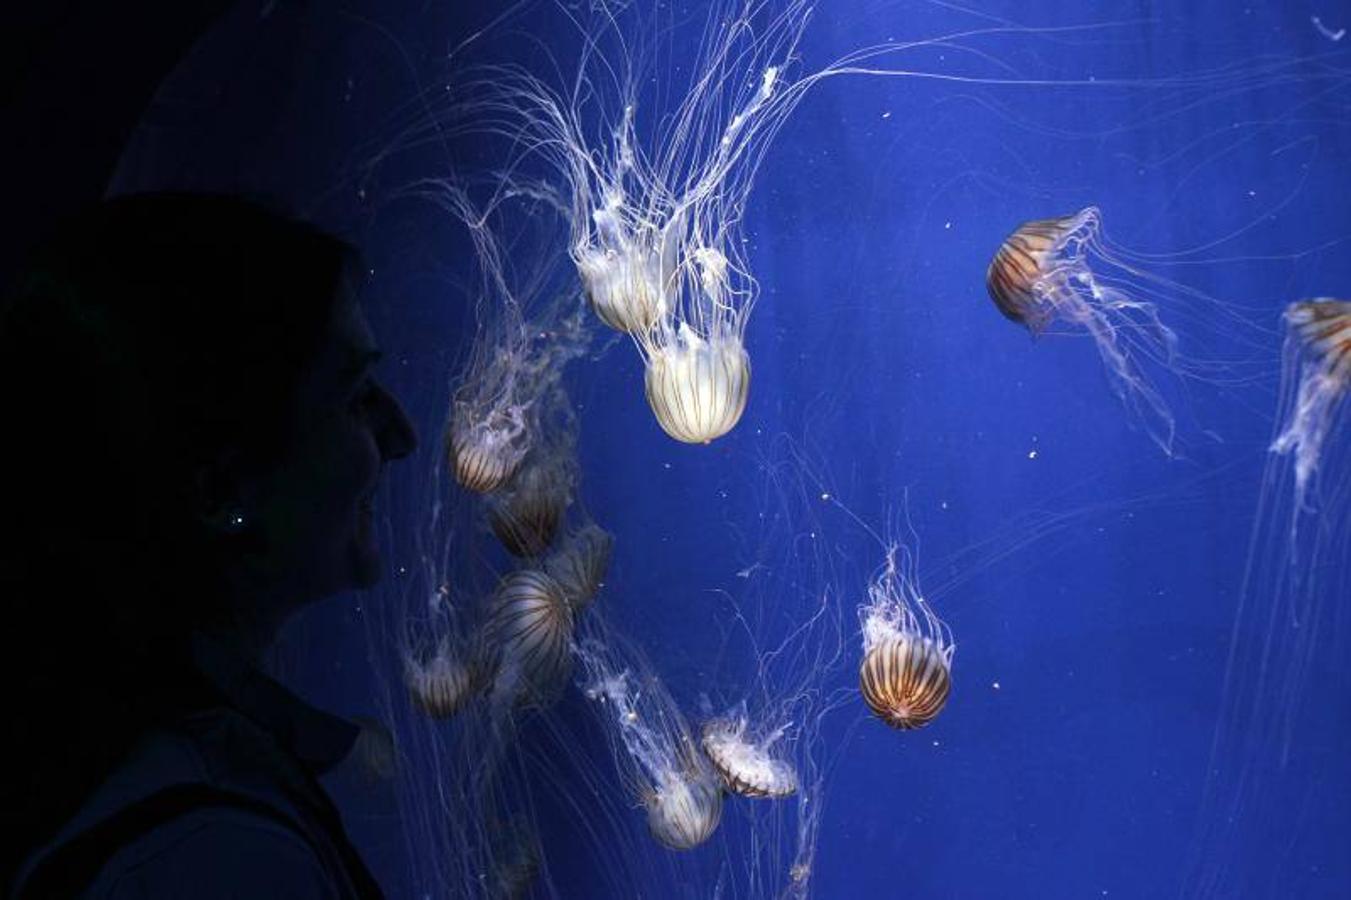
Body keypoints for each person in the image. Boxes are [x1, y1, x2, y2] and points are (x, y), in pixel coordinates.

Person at [0, 192, 418, 898]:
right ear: (222, 492)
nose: (402, 435)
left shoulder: (119, 760)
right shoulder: (210, 856)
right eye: (353, 396)